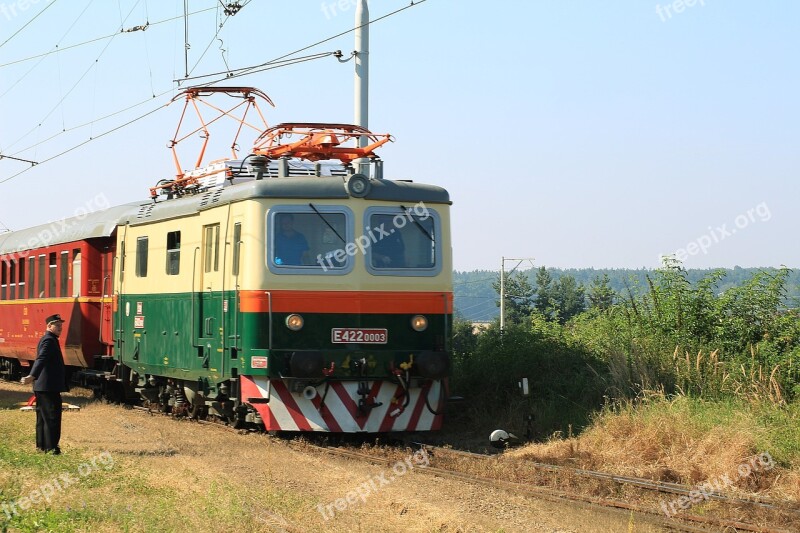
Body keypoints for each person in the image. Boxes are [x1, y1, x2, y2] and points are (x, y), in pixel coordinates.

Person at [20, 314, 68, 455]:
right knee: (52, 417)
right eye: (57, 325)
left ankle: (42, 446)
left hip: (45, 386)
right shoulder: (49, 340)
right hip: (48, 386)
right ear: (49, 326)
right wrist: (32, 375)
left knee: (43, 417)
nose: (60, 328)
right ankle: (52, 448)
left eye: (61, 325)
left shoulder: (50, 339)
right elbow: (41, 359)